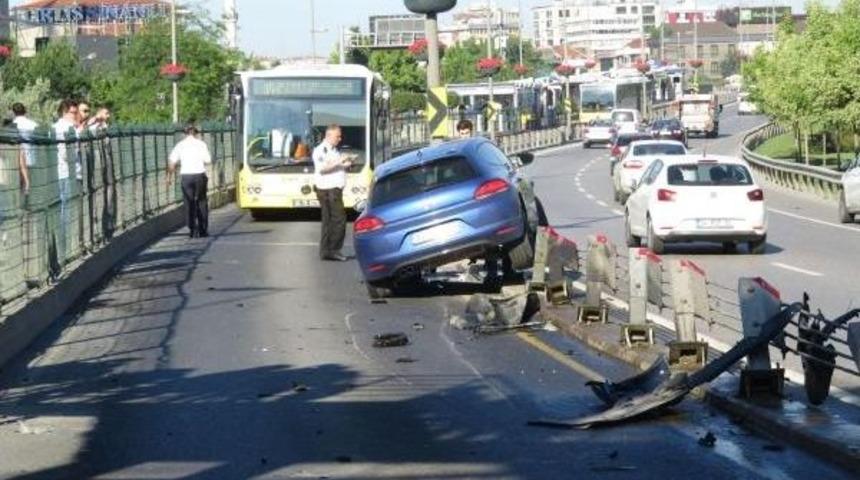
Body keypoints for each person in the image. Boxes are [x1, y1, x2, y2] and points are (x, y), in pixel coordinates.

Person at [312, 124, 352, 262]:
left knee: (329, 221)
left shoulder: (333, 150)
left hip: (333, 190)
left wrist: (345, 164)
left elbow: (335, 166)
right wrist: (339, 162)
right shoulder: (320, 150)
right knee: (338, 220)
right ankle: (333, 250)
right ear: (328, 135)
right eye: (337, 136)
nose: (339, 139)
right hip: (328, 190)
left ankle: (327, 251)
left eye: (340, 136)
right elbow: (322, 168)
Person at [167, 123, 212, 238]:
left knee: (189, 202)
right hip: (199, 176)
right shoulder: (201, 144)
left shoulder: (180, 145)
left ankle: (192, 229)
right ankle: (202, 229)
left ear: (184, 133)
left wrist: (168, 178)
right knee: (202, 201)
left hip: (186, 177)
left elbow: (172, 163)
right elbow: (208, 160)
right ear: (196, 133)